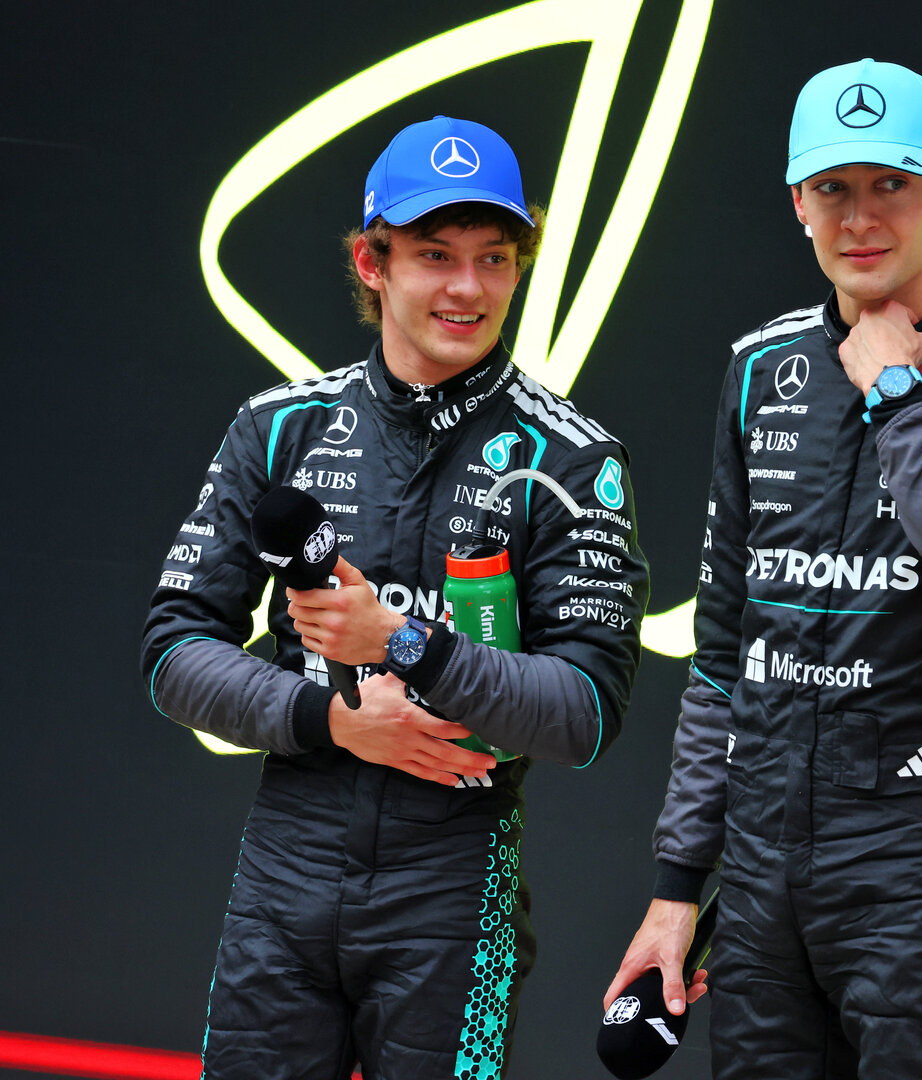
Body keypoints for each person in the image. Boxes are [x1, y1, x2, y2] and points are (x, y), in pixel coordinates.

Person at [604, 59, 922, 1078]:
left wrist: (896, 394)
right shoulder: (762, 367)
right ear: (798, 200)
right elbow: (723, 656)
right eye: (834, 188)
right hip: (760, 874)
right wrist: (674, 891)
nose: (862, 217)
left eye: (893, 186)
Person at [141, 115, 648, 1079]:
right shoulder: (279, 429)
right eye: (433, 255)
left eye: (494, 258)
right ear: (373, 263)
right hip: (285, 871)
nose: (467, 287)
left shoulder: (572, 461)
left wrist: (405, 644)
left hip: (456, 884)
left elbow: (586, 713)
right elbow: (173, 651)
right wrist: (331, 717)